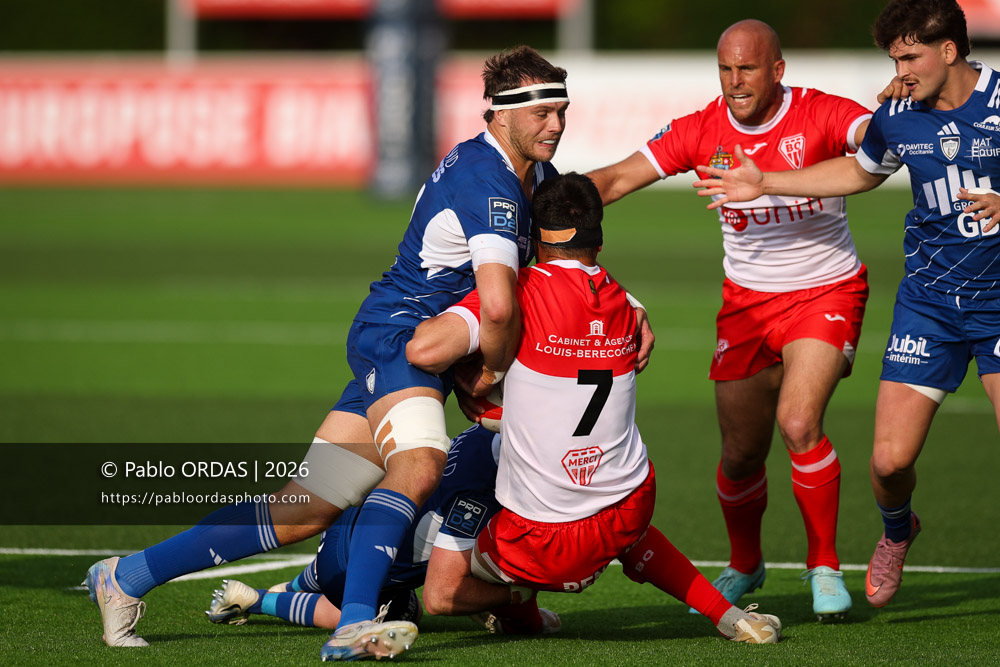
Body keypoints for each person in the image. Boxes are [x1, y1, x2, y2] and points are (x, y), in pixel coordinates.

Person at [84, 45, 582, 656]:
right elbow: (499, 308)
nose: (556, 124)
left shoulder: (534, 176)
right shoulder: (488, 181)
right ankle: (354, 626)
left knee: (303, 510)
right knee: (419, 467)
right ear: (500, 114)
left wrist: (666, 159)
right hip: (403, 339)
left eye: (562, 111)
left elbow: (595, 193)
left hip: (410, 343)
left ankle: (126, 576)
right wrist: (495, 375)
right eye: (542, 113)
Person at [694, 0, 1000, 609]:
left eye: (909, 58)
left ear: (949, 51)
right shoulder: (898, 115)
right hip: (930, 304)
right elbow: (859, 174)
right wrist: (765, 182)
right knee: (888, 464)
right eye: (894, 59)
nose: (899, 72)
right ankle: (898, 531)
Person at [408, 172, 783, 645]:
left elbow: (424, 349)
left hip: (542, 541)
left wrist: (482, 373)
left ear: (533, 241)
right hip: (630, 508)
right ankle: (729, 616)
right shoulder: (624, 305)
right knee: (614, 511)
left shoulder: (518, 293)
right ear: (599, 244)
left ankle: (521, 603)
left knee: (442, 591)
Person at [585, 19, 871, 620]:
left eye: (747, 68)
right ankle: (745, 565)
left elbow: (874, 143)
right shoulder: (701, 129)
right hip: (745, 306)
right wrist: (537, 199)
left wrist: (899, 111)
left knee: (798, 422)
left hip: (825, 291)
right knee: (740, 454)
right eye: (725, 68)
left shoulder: (820, 112)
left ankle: (824, 566)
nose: (735, 81)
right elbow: (615, 178)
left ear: (777, 70)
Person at [206, 424, 559, 635]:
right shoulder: (478, 492)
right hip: (358, 565)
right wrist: (515, 597)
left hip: (355, 517)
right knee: (404, 610)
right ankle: (259, 599)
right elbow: (440, 596)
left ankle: (294, 584)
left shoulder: (484, 433)